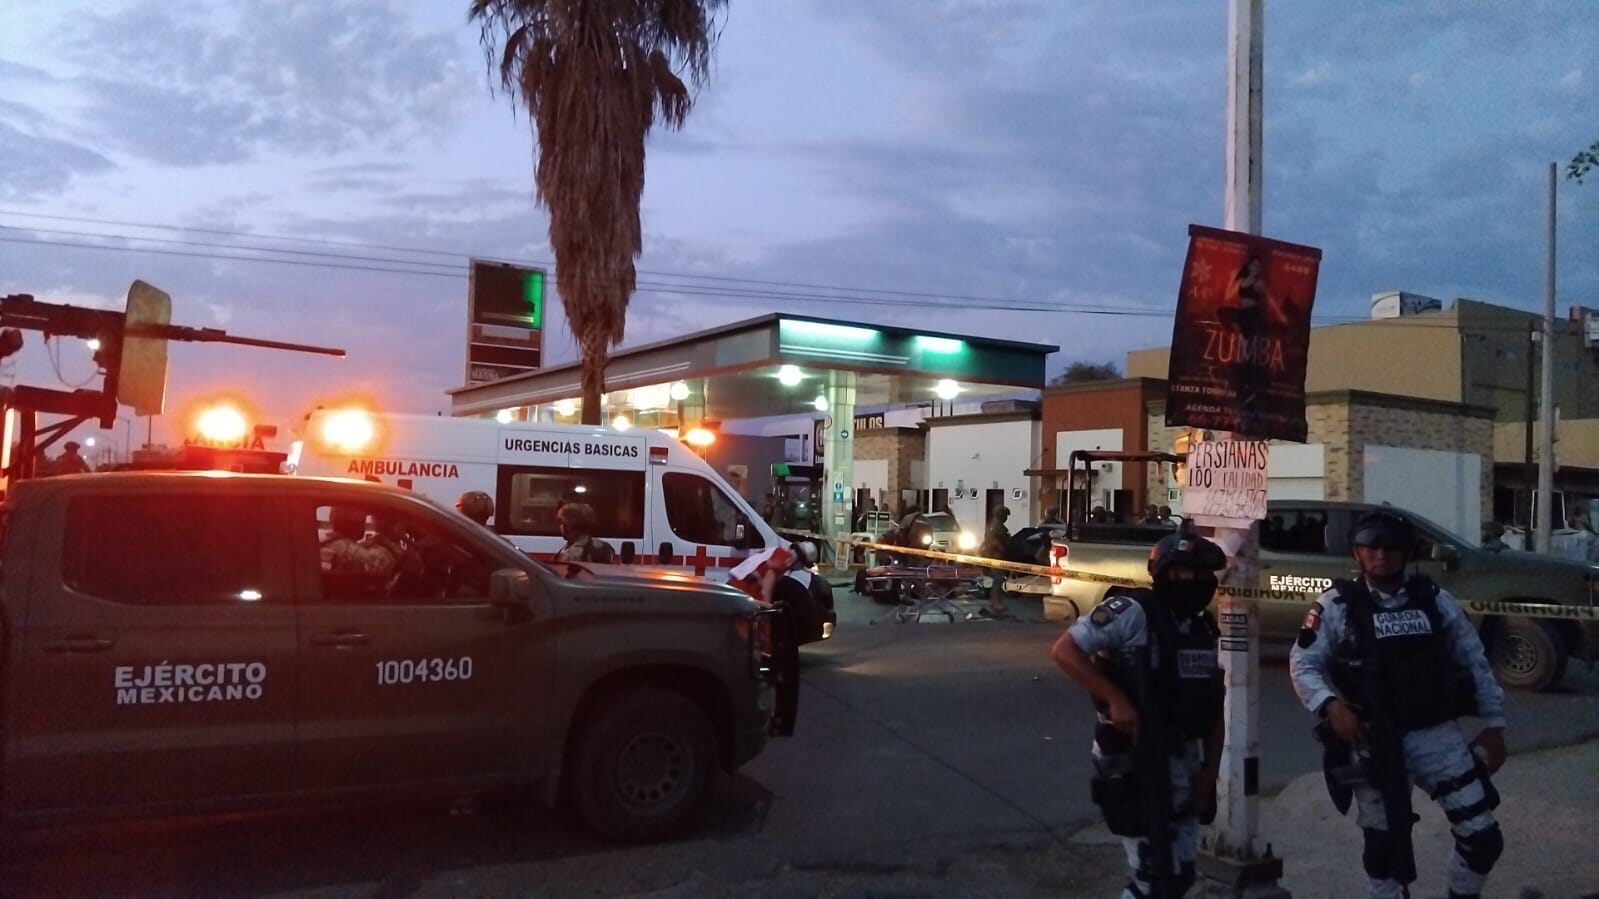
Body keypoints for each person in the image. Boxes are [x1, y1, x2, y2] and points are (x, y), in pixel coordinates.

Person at [1289, 509, 1507, 899]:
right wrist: (1331, 706)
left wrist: (1494, 724)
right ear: (1357, 553)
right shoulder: (1337, 605)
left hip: (1437, 736)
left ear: (1407, 552)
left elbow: (1474, 661)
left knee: (1483, 837)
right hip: (1373, 742)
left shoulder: (1435, 600)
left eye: (1391, 547)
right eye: (1371, 546)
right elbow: (1304, 663)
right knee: (1384, 852)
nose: (1382, 555)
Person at [1051, 534, 1228, 898]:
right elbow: (1065, 651)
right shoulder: (1133, 612)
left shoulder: (1201, 629)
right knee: (1154, 878)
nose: (1191, 583)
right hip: (1136, 760)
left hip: (1186, 765)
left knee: (1179, 878)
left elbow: (1212, 708)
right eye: (1181, 573)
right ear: (1161, 574)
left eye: (1200, 574)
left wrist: (1209, 775)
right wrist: (1117, 700)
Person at [978, 506, 1012, 618]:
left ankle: (994, 602)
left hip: (990, 556)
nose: (1006, 518)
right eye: (1005, 515)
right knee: (998, 580)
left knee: (997, 581)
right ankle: (996, 603)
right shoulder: (999, 528)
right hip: (996, 557)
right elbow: (997, 543)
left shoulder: (991, 525)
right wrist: (1004, 549)